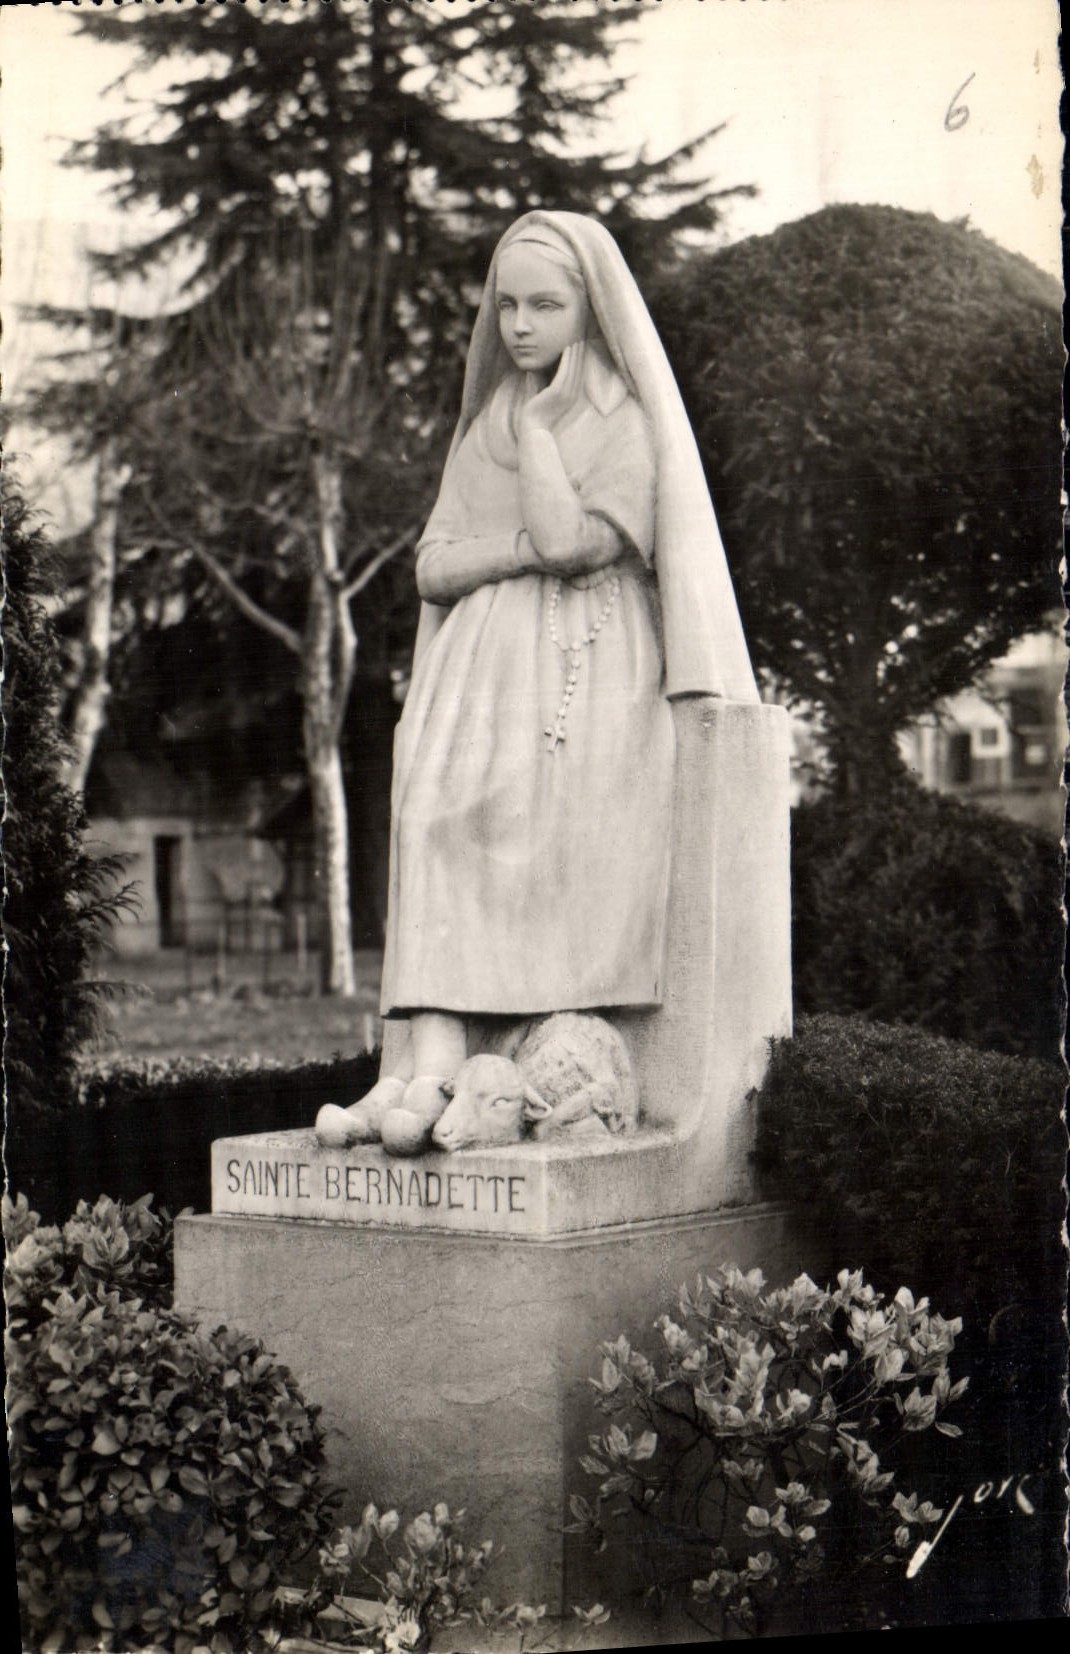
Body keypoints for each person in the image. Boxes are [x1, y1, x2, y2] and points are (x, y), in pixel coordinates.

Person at [315, 211, 757, 1155]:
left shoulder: (623, 423)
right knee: (432, 820)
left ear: (590, 312)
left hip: (584, 678)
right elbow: (433, 564)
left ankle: (474, 1076)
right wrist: (511, 545)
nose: (518, 325)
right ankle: (419, 1064)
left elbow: (574, 547)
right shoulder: (485, 425)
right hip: (479, 680)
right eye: (506, 304)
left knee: (493, 824)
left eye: (544, 305)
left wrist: (546, 439)